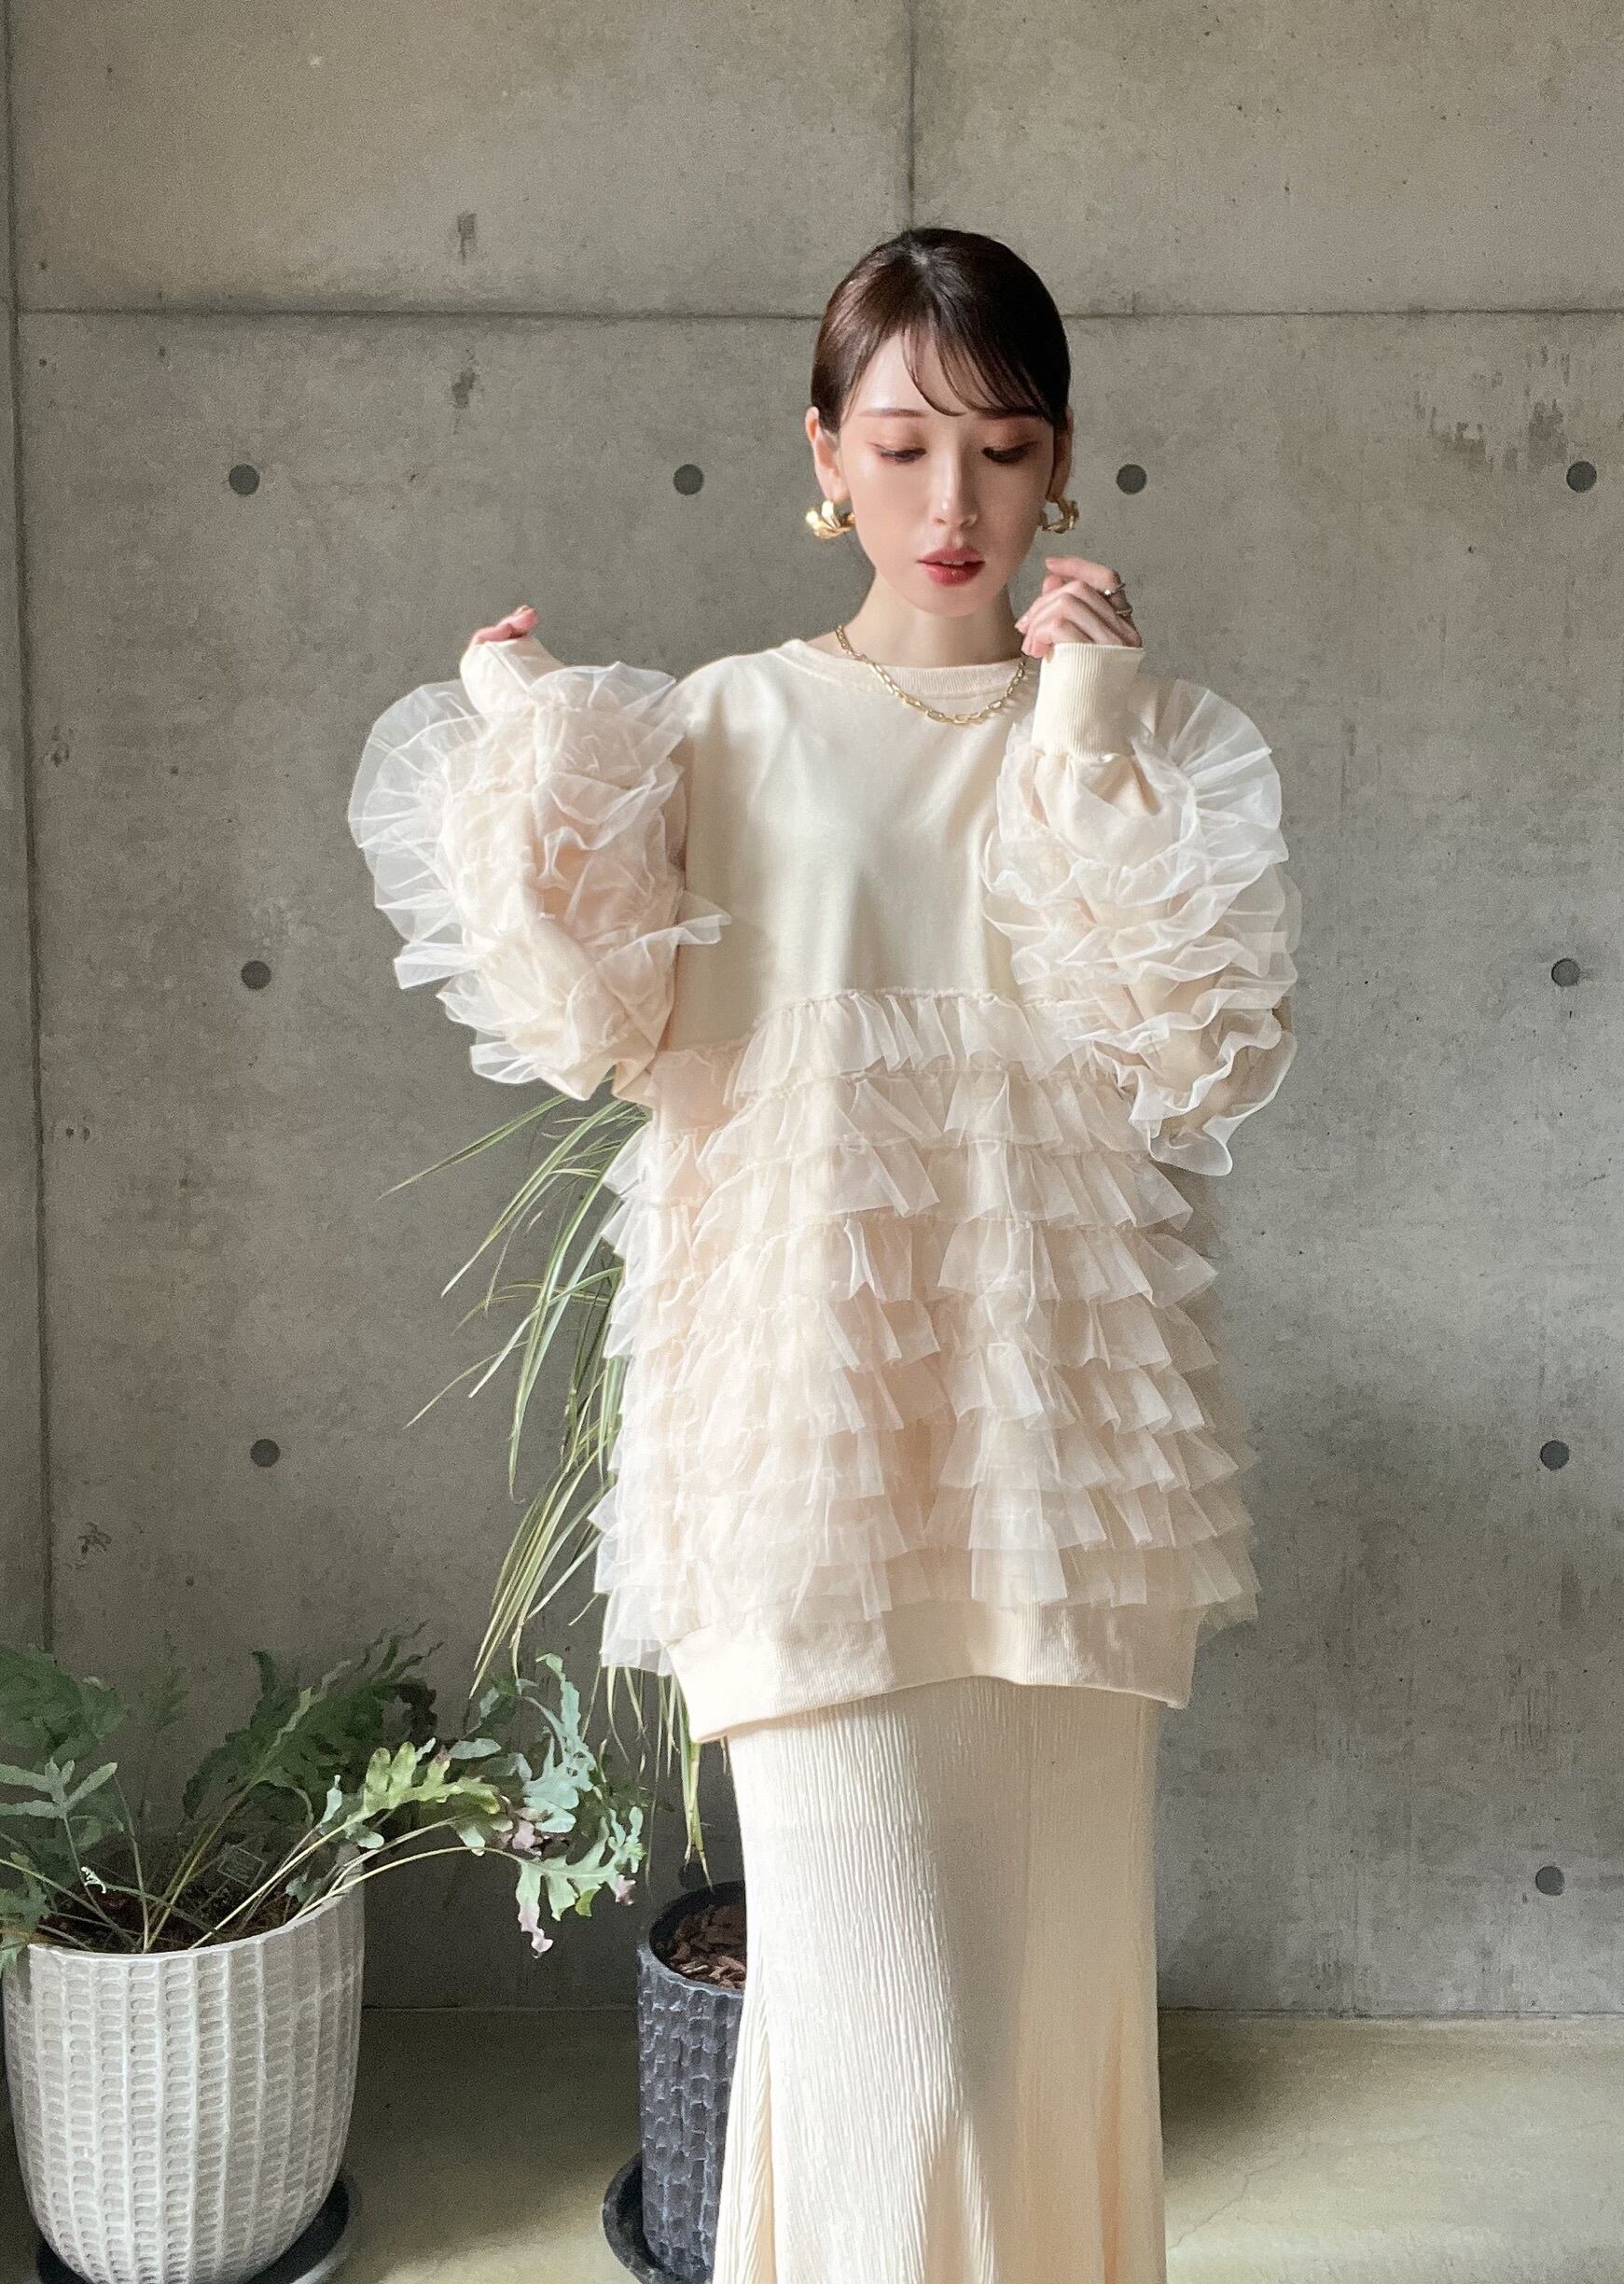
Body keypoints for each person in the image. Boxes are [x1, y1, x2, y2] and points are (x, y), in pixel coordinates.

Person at [349, 225, 1299, 2284]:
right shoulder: (727, 724)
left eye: (1004, 447)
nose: (953, 500)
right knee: (888, 2068)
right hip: (805, 1472)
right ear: (822, 455)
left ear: (1063, 465)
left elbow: (1197, 1058)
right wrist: (523, 743)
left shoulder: (1129, 745)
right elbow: (591, 1017)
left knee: (1044, 2053)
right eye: (901, 444)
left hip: (1066, 1487)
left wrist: (1087, 737)